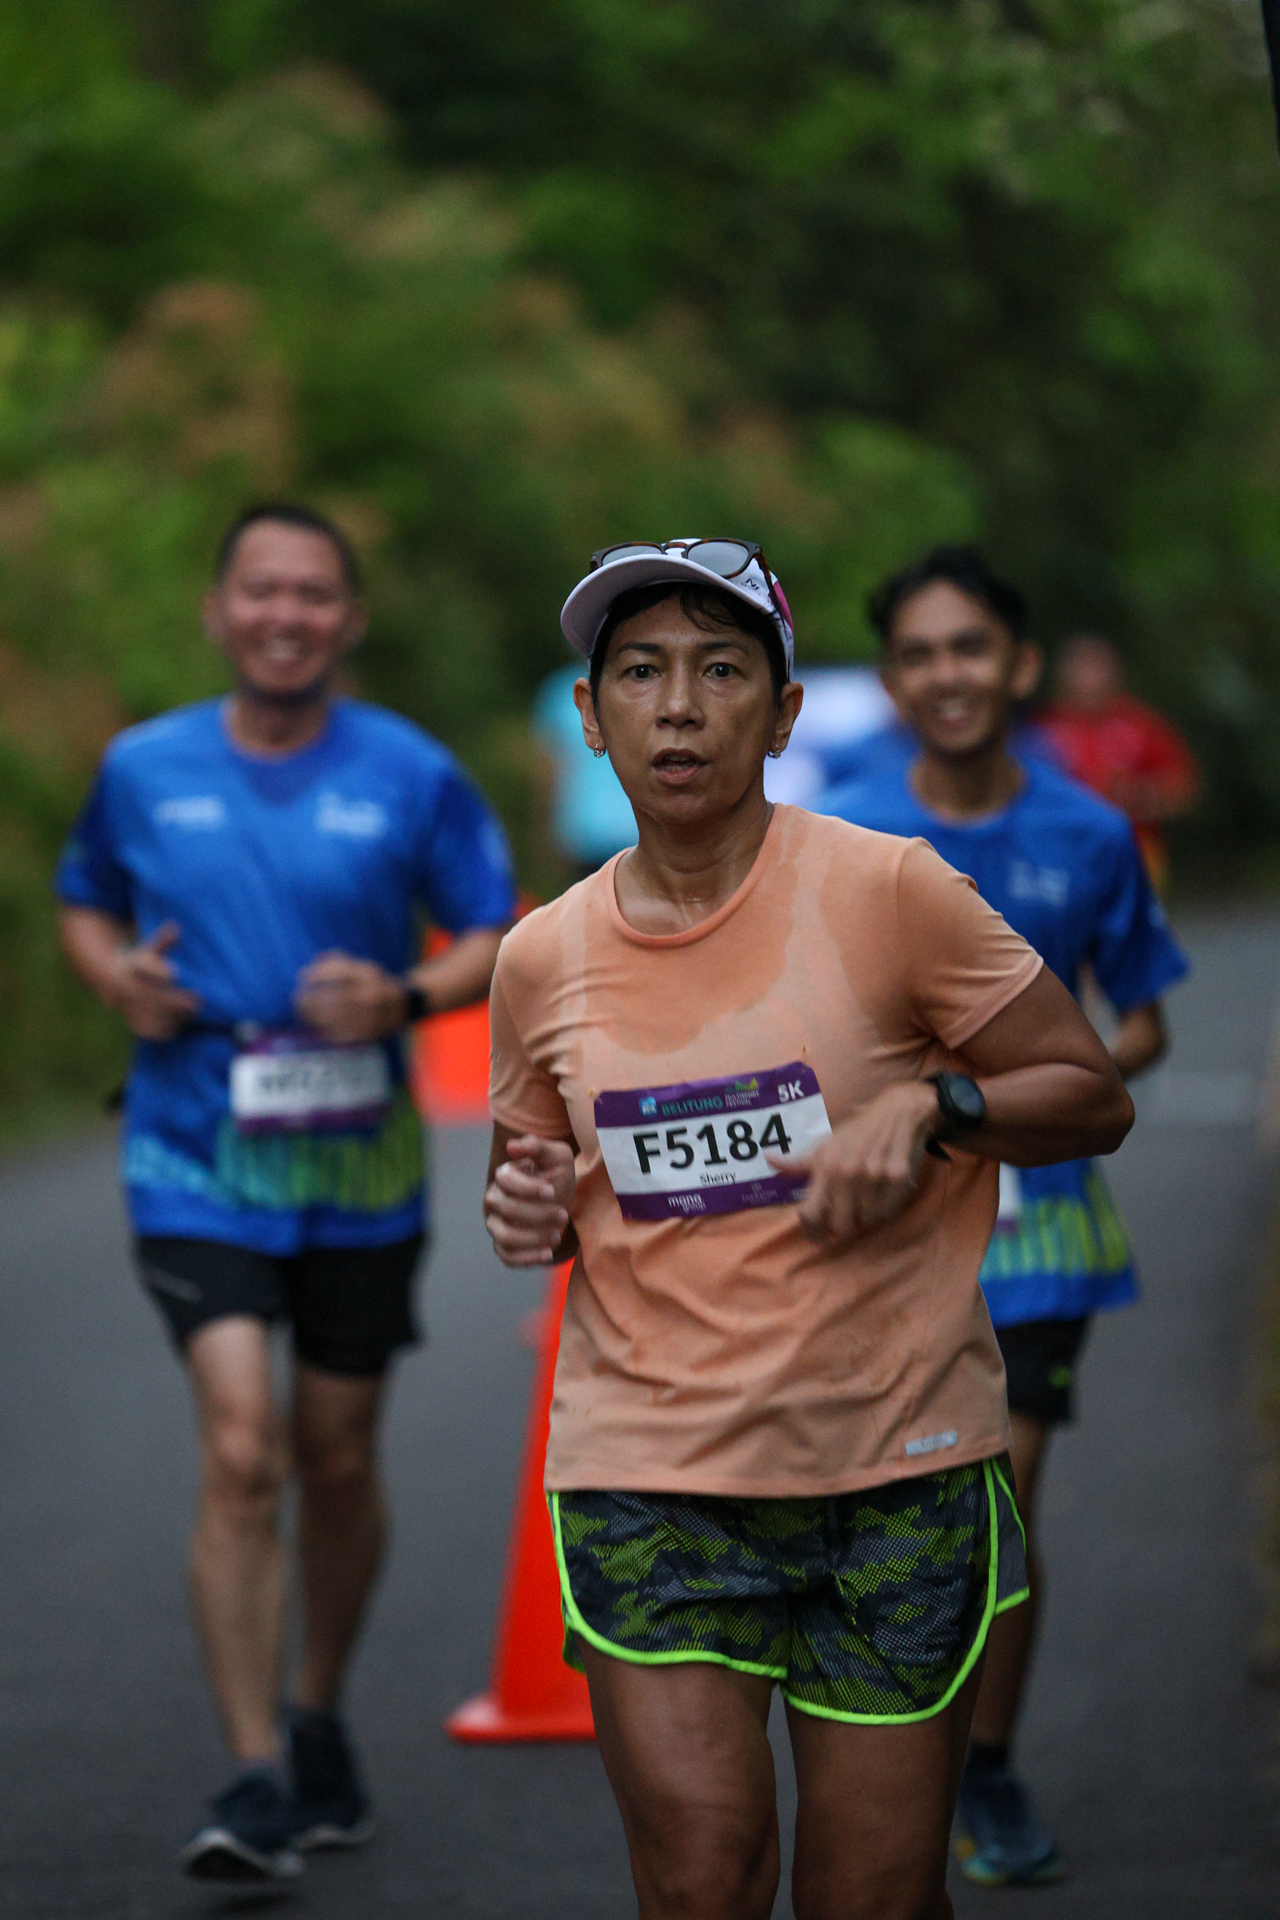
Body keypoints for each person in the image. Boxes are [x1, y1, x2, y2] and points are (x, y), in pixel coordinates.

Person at [481, 535, 1133, 1920]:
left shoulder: (890, 890)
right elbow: (535, 1190)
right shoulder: (540, 956)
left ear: (781, 715)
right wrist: (522, 1206)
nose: (678, 707)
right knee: (702, 1874)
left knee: (870, 1899)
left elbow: (1089, 1093)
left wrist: (941, 1105)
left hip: (893, 1464)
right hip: (651, 1470)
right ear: (590, 716)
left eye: (721, 671)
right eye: (640, 673)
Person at [56, 503, 516, 1883]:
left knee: (336, 1454)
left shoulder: (412, 771)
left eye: (314, 594)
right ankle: (255, 1771)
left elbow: (492, 928)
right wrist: (117, 979)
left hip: (357, 1161)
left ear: (348, 622)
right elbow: (84, 900)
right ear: (218, 611)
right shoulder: (143, 767)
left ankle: (317, 1712)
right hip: (191, 1147)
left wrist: (405, 995)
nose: (286, 615)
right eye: (261, 589)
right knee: (242, 1448)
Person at [819, 546, 1188, 1888]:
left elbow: (1140, 1024)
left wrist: (1041, 1085)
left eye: (968, 647)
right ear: (890, 682)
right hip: (875, 1222)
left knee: (1001, 1494)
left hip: (1036, 1225)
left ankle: (987, 1763)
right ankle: (880, 1758)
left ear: (1018, 666)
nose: (946, 675)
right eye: (918, 654)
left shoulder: (1087, 831)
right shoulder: (839, 829)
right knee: (878, 1501)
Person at [1035, 631, 1199, 891]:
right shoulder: (1042, 729)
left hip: (1133, 849)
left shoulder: (1142, 724)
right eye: (1080, 666)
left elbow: (1184, 789)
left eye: (1096, 666)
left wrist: (1142, 796)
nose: (1089, 677)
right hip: (1060, 852)